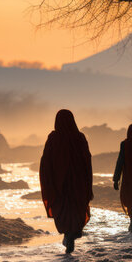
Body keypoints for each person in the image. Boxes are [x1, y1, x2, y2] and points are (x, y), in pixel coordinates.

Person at [40, 109, 93, 254]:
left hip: (59, 186)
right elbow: (87, 162)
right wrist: (88, 184)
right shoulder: (80, 138)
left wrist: (48, 182)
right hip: (78, 185)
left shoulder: (53, 138)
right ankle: (70, 236)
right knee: (76, 212)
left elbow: (45, 163)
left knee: (64, 212)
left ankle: (68, 236)